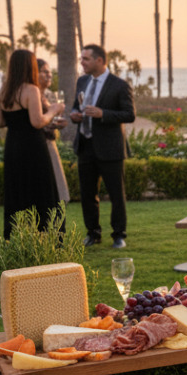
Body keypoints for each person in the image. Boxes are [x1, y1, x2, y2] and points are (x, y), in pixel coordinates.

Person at [69, 44, 135, 249]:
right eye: (81, 59)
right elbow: (75, 106)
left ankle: (118, 235)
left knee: (116, 194)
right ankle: (93, 233)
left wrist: (103, 114)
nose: (82, 62)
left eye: (86, 59)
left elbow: (129, 114)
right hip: (85, 146)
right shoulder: (82, 81)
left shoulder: (119, 85)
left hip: (110, 148)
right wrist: (74, 115)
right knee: (88, 194)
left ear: (99, 60)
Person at [0, 49, 64, 239]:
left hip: (13, 146)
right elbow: (37, 121)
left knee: (17, 192)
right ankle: (47, 238)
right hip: (33, 147)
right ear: (30, 66)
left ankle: (16, 238)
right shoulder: (30, 89)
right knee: (41, 191)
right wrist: (54, 111)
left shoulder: (4, 90)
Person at [36, 58, 70, 203]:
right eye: (45, 72)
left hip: (50, 142)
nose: (50, 75)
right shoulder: (31, 94)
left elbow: (48, 119)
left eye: (50, 72)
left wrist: (57, 124)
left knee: (57, 188)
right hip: (38, 145)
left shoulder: (49, 95)